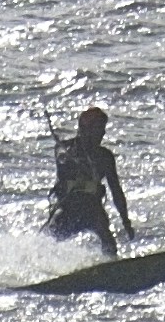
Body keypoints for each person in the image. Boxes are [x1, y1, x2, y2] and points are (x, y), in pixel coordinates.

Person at [46, 105, 134, 258]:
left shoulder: (105, 157)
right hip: (69, 208)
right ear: (85, 129)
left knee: (108, 240)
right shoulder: (64, 149)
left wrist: (125, 220)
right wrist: (75, 161)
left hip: (92, 209)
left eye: (103, 129)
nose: (102, 133)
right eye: (98, 129)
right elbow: (63, 173)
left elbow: (116, 190)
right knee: (50, 238)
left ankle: (111, 265)